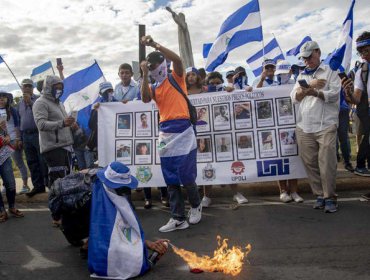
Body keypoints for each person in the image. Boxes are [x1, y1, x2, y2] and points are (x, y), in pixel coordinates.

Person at [140, 35, 202, 232]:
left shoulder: (176, 77)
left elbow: (177, 60)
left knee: (186, 175)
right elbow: (144, 99)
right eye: (151, 66)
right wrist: (143, 74)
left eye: (156, 64)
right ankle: (178, 218)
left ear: (163, 64)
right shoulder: (154, 86)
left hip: (183, 129)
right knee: (170, 178)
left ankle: (195, 205)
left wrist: (154, 44)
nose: (154, 68)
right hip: (165, 133)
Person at [88, 161, 170, 278]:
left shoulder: (106, 189)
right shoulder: (91, 194)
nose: (126, 191)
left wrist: (146, 243)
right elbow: (115, 229)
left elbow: (124, 227)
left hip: (94, 240)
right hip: (78, 223)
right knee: (130, 261)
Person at [290, 41, 340, 213]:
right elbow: (294, 97)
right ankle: (319, 194)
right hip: (304, 125)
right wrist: (310, 88)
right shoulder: (301, 75)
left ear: (318, 52)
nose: (307, 61)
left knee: (326, 163)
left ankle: (330, 197)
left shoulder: (332, 70)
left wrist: (317, 93)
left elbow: (334, 95)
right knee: (310, 163)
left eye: (309, 57)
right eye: (304, 58)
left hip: (326, 124)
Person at [33, 75, 75, 189]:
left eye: (61, 87)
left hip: (65, 146)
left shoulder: (59, 103)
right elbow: (41, 124)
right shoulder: (40, 103)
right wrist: (62, 123)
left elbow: (63, 122)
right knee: (58, 183)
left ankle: (65, 206)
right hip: (53, 148)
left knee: (66, 181)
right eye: (56, 87)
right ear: (48, 87)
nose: (59, 90)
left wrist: (71, 124)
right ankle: (57, 205)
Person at [342, 31, 370, 179]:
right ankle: (360, 165)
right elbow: (357, 99)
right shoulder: (362, 71)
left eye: (366, 50)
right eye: (360, 52)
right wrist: (348, 93)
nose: (363, 55)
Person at [17, 79, 48, 197]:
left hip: (37, 133)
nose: (27, 88)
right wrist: (20, 138)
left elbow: (39, 113)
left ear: (33, 88)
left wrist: (30, 102)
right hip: (25, 135)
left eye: (30, 86)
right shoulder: (19, 103)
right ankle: (37, 186)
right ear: (22, 88)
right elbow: (19, 121)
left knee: (42, 160)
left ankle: (47, 184)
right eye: (25, 86)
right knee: (31, 161)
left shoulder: (38, 100)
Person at [0, 93, 24, 222]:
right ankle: (1, 211)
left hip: (3, 154)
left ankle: (12, 207)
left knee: (10, 182)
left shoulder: (6, 113)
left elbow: (6, 132)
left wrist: (8, 137)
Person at [0, 91, 30, 194]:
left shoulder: (11, 110)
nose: (1, 99)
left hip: (13, 140)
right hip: (2, 142)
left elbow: (17, 125)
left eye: (4, 97)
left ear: (8, 99)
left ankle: (25, 185)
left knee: (19, 163)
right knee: (5, 165)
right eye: (0, 98)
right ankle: (6, 186)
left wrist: (18, 139)